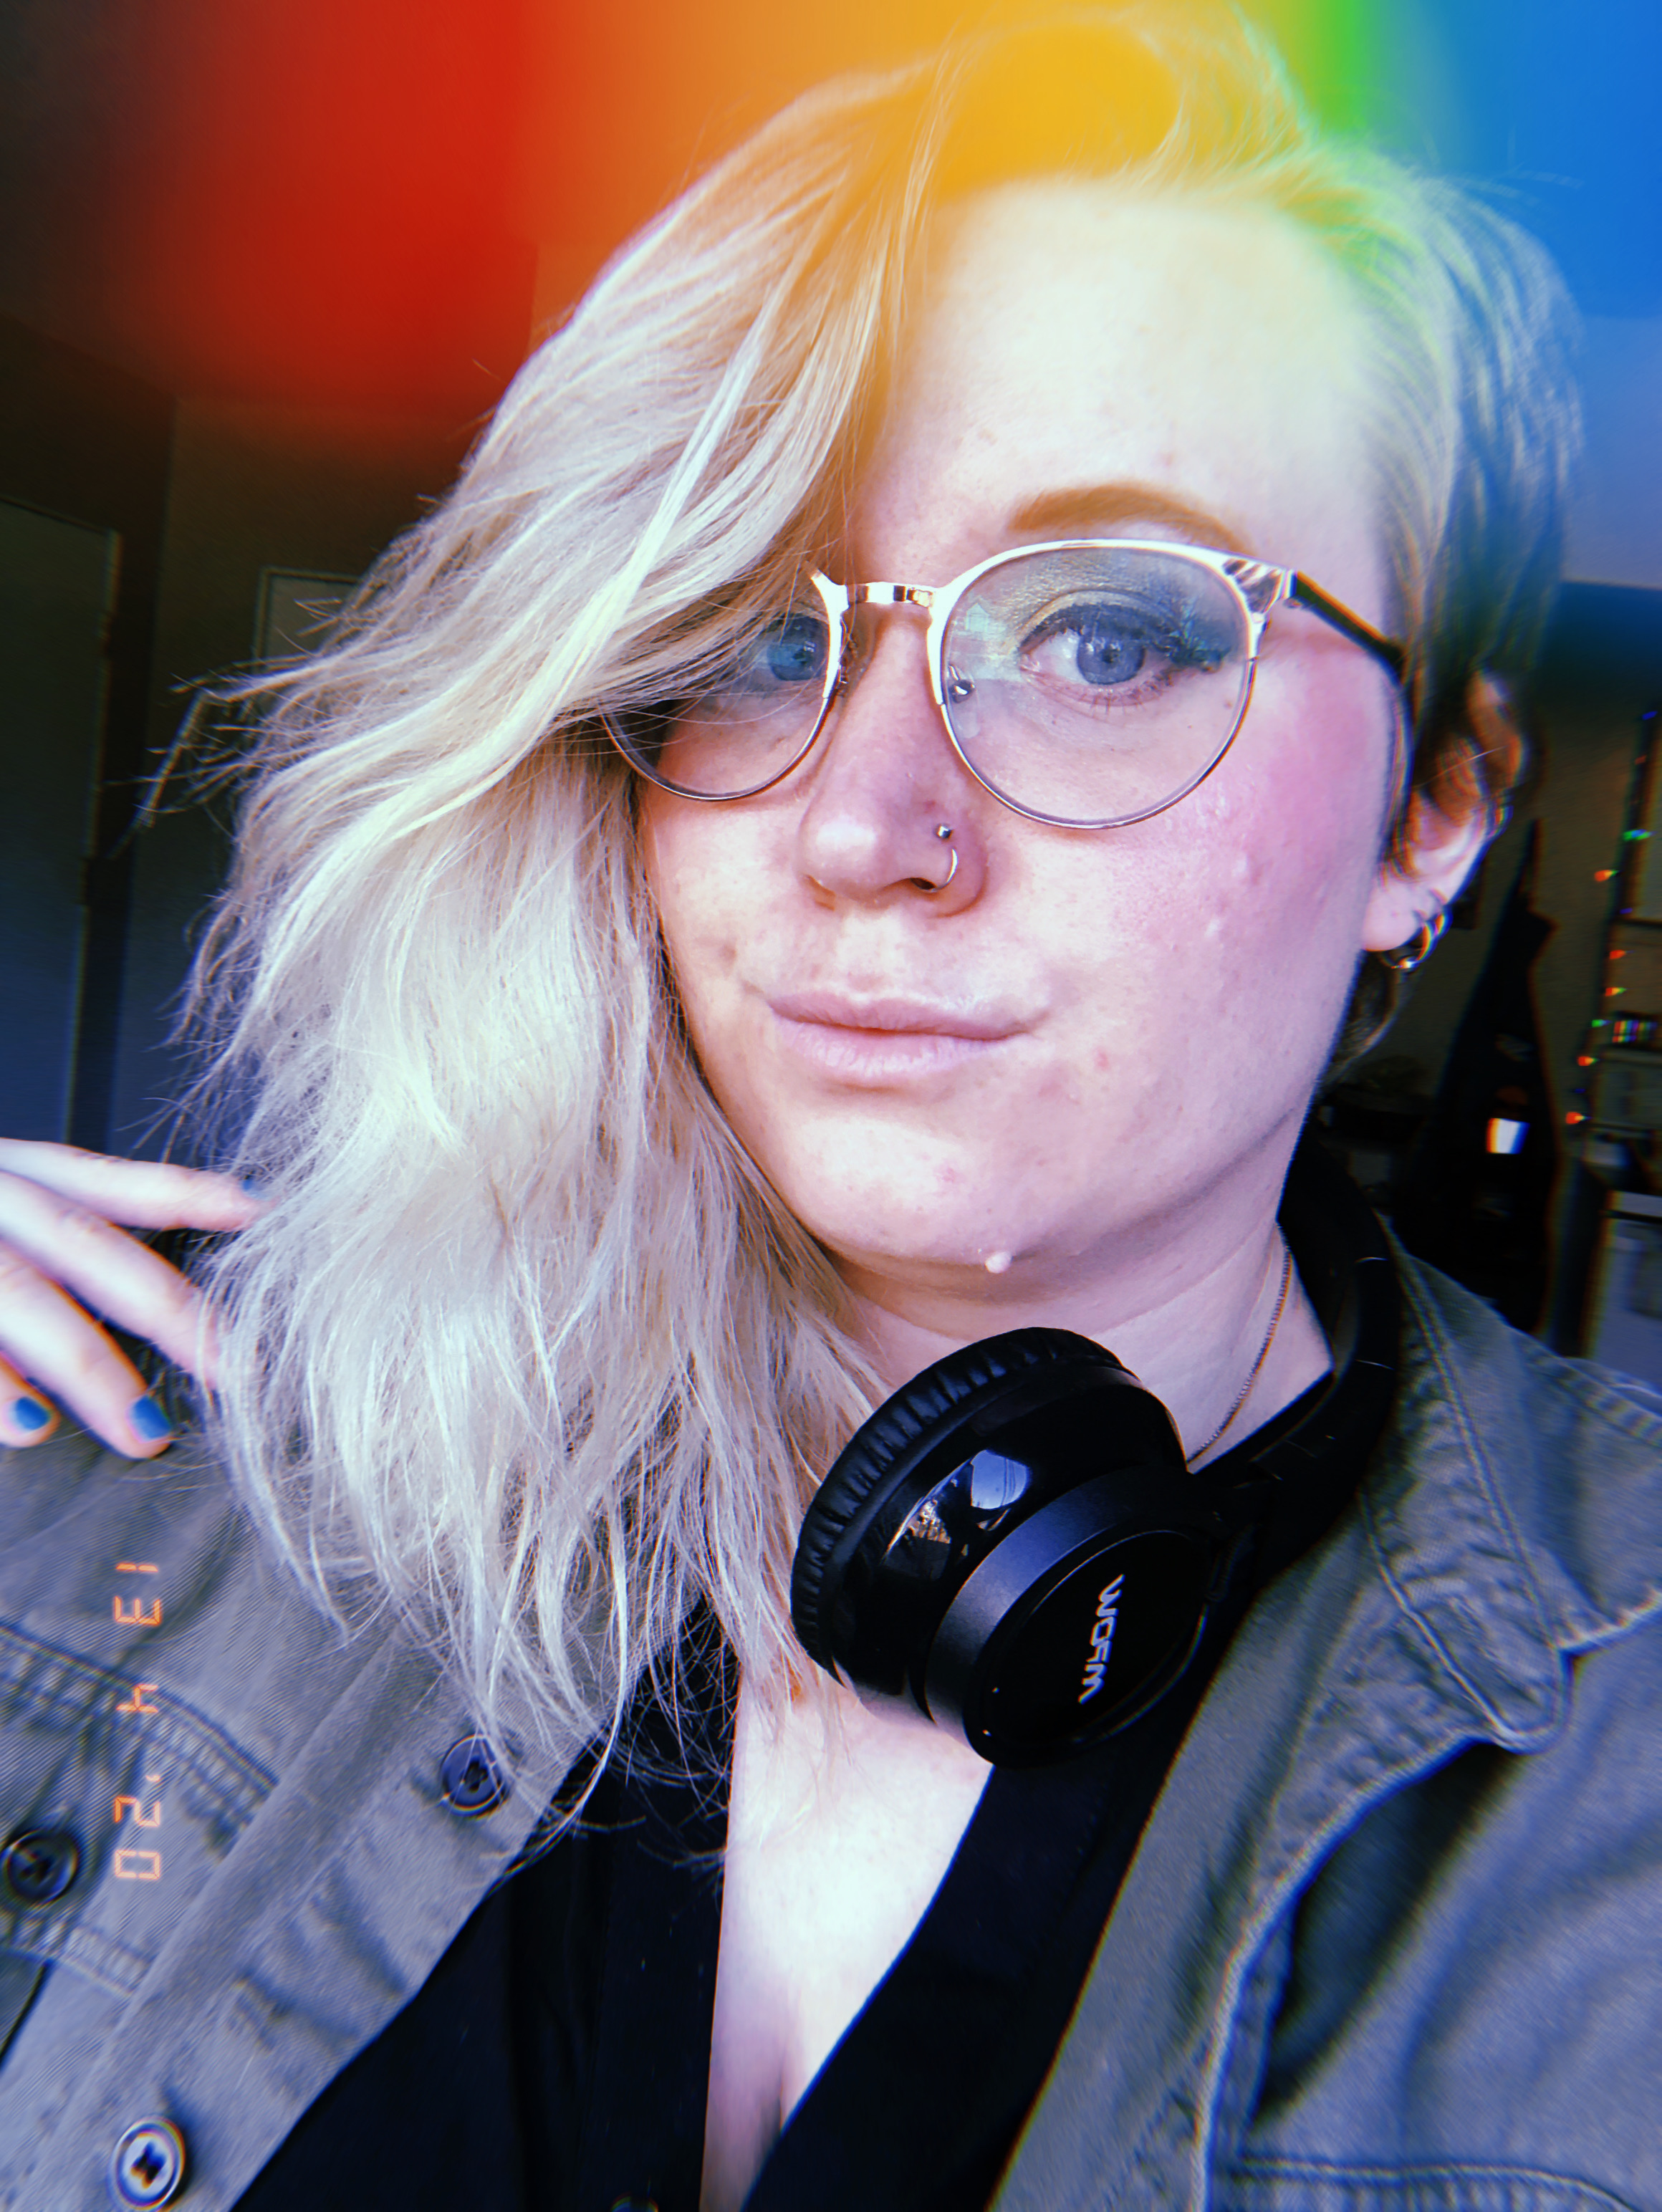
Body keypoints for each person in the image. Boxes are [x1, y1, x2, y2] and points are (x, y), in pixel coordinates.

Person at [2, 6, 1658, 2208]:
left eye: (1105, 638)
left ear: (1434, 809)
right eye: (757, 640)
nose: (868, 825)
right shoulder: (161, 1454)